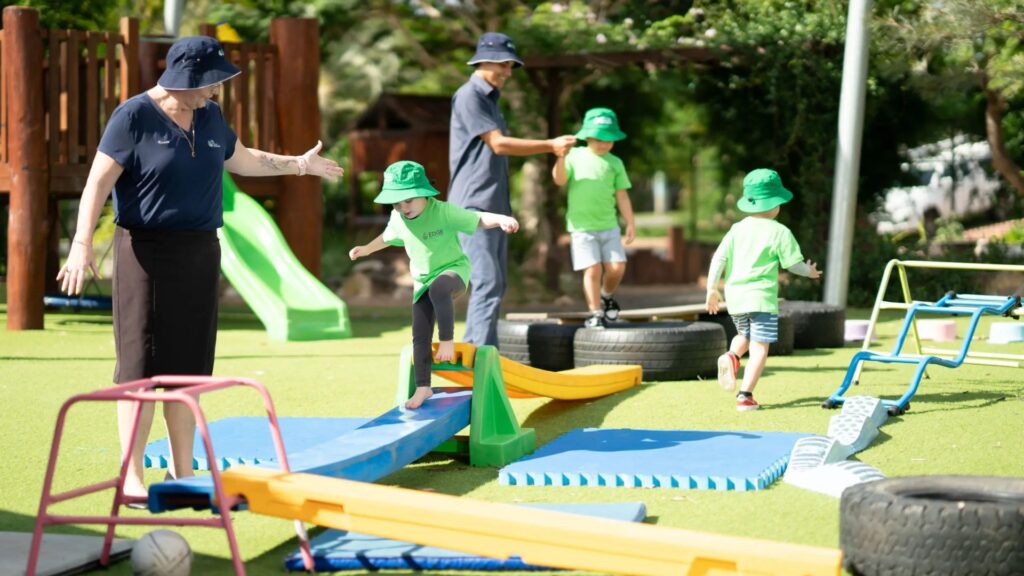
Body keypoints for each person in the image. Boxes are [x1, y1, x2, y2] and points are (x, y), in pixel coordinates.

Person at [56, 36, 344, 502]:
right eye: (210, 83)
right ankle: (130, 476)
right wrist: (81, 243)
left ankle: (182, 472)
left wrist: (298, 165)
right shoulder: (133, 117)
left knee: (188, 369)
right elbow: (97, 182)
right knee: (140, 368)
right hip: (145, 253)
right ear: (184, 78)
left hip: (200, 251)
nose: (215, 92)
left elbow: (242, 159)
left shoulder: (210, 116)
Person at [349, 161, 519, 409]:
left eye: (408, 200)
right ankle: (423, 388)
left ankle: (447, 341)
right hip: (422, 282)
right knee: (419, 334)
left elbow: (477, 217)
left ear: (423, 193)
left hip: (454, 273)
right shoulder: (398, 218)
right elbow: (387, 237)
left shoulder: (442, 212)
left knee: (439, 288)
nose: (402, 207)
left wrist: (502, 219)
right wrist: (365, 249)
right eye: (397, 203)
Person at [448, 31, 576, 346]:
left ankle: (482, 356)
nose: (508, 72)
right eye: (503, 65)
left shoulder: (491, 100)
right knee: (487, 283)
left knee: (496, 284)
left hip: (493, 207)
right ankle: (477, 360)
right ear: (484, 60)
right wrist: (549, 144)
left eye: (510, 66)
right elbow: (499, 144)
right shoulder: (470, 96)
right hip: (473, 207)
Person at [704, 169, 821, 411]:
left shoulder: (736, 229)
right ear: (777, 203)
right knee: (760, 346)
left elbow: (718, 259)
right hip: (761, 299)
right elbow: (792, 265)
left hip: (736, 297)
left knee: (744, 337)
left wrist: (712, 289)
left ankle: (732, 356)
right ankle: (745, 395)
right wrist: (809, 272)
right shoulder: (779, 232)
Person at [552, 107, 635, 328]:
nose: (603, 143)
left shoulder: (615, 163)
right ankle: (595, 311)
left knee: (617, 268)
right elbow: (559, 180)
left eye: (608, 139)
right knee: (593, 269)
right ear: (587, 136)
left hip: (609, 225)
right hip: (581, 227)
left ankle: (606, 296)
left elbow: (622, 196)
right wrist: (560, 158)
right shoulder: (575, 155)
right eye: (598, 138)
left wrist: (630, 223)